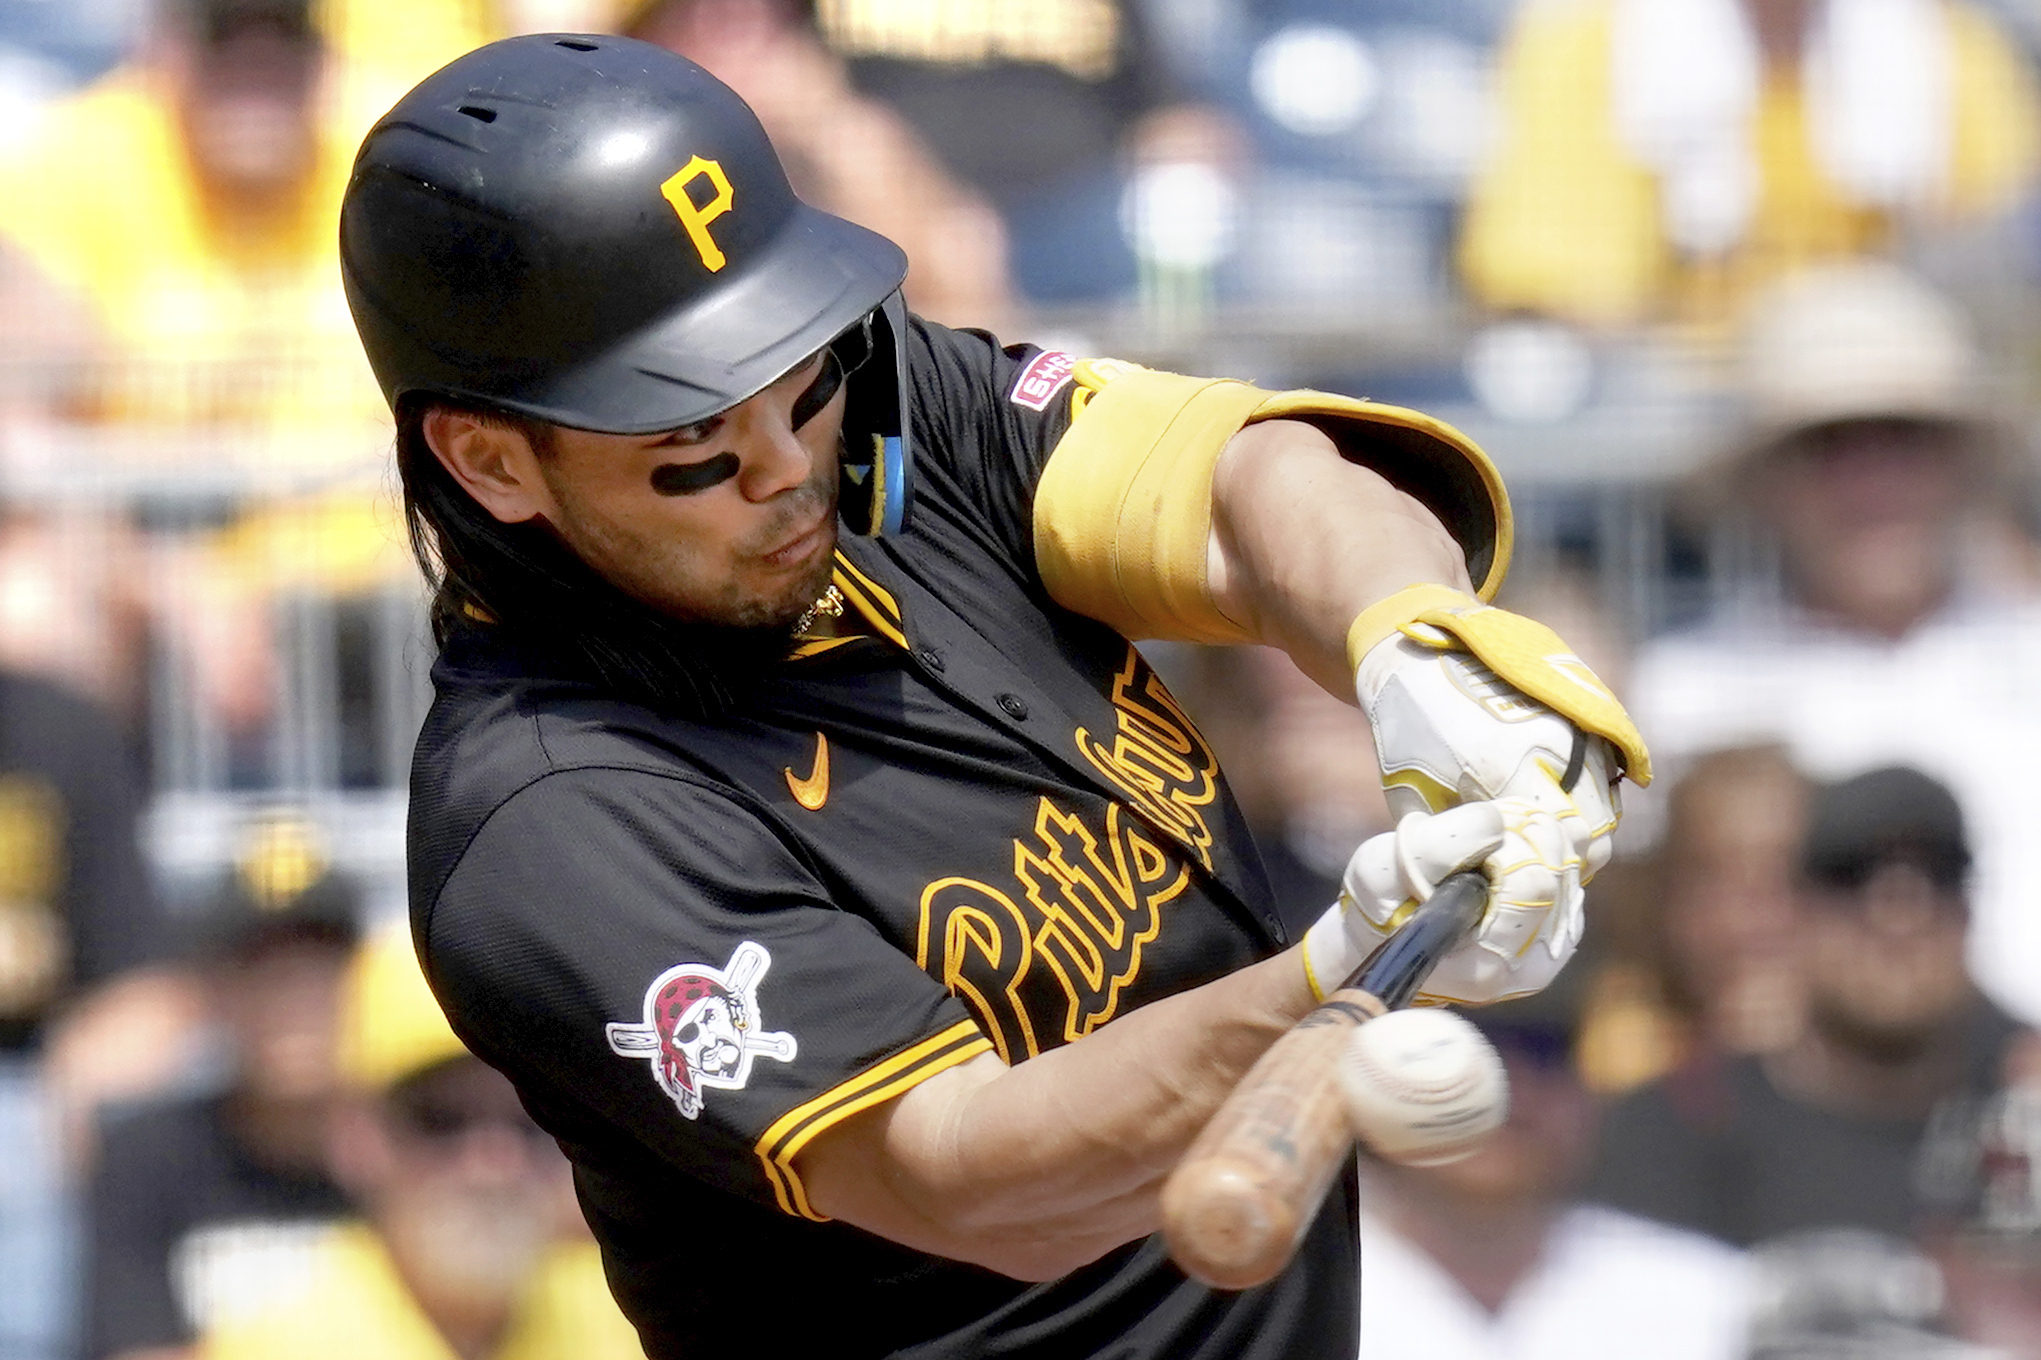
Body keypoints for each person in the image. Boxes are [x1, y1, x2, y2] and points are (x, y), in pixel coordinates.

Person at [343, 34, 1649, 1357]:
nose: (788, 467)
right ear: (491, 461)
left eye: (799, 385)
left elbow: (1246, 489)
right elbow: (971, 1175)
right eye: (693, 443)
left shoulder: (877, 411)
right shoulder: (553, 820)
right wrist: (1339, 972)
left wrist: (1410, 645)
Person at [1626, 262, 2041, 1026]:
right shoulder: (1686, 692)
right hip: (1797, 1120)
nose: (1871, 481)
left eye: (1903, 441)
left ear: (1959, 464)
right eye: (1830, 446)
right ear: (1766, 481)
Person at [1589, 765, 2020, 1247]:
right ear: (1793, 904)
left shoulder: (2023, 1108)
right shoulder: (1674, 1129)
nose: (1900, 917)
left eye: (1940, 876)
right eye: (1851, 876)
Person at [196, 925, 644, 1360]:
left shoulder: (635, 1322)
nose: (493, 1164)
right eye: (441, 1121)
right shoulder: (274, 1343)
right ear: (353, 1135)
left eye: (529, 1120)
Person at [1459, 0, 2041, 328]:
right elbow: (1563, 288)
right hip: (1692, 396)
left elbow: (1998, 261)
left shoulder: (1949, 45)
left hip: (1892, 385)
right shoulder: (1587, 47)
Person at [1358, 982, 1753, 1360]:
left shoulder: (1707, 1296)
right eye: (1456, 1048)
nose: (1510, 1086)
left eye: (1543, 1050)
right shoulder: (1308, 1290)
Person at [83, 831, 362, 1360]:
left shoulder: (428, 1131)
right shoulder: (144, 1157)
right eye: (261, 971)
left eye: (319, 968)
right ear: (212, 994)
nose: (293, 998)